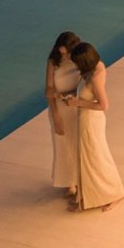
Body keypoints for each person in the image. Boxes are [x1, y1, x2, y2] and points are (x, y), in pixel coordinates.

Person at [65, 40, 124, 212]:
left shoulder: (95, 78)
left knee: (96, 156)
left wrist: (78, 103)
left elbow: (104, 105)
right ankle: (89, 194)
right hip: (86, 117)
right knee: (88, 156)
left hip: (91, 119)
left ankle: (114, 193)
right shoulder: (98, 66)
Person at [45, 30, 82, 203]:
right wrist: (56, 116)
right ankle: (69, 183)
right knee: (63, 146)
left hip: (76, 106)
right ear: (61, 49)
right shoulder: (53, 63)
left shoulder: (78, 59)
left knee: (79, 145)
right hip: (60, 107)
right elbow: (49, 90)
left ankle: (81, 180)